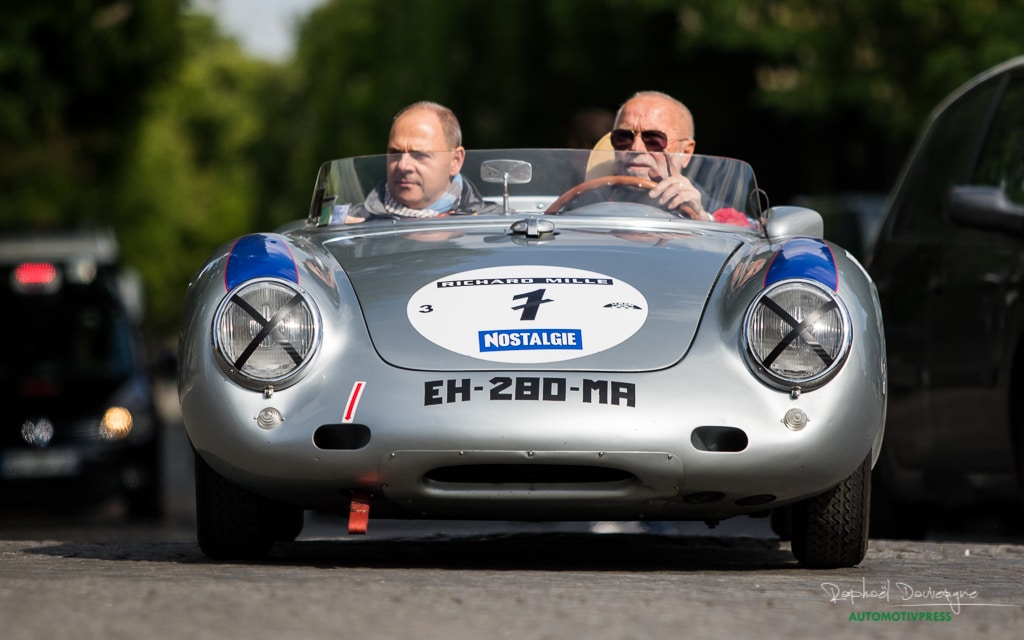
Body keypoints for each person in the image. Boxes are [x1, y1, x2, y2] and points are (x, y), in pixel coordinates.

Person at [334, 101, 501, 223]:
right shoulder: (350, 221)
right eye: (395, 153)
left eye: (419, 155)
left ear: (455, 161)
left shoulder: (496, 225)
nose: (403, 165)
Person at [607, 90, 712, 220]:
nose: (636, 148)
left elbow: (732, 237)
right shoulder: (585, 200)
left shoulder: (717, 212)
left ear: (685, 152)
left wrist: (700, 217)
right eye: (624, 137)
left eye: (653, 140)